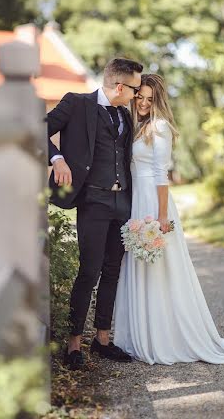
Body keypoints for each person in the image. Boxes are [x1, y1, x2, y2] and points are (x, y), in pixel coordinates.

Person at [114, 74, 224, 364]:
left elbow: (161, 174)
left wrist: (161, 218)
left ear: (158, 102)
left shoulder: (159, 127)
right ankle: (141, 334)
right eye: (140, 96)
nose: (143, 102)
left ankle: (165, 337)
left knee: (161, 270)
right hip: (136, 202)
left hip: (154, 204)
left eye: (150, 99)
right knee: (140, 267)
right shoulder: (136, 126)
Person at [47, 58, 143, 370]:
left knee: (113, 271)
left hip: (122, 204)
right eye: (134, 89)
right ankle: (74, 344)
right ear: (119, 86)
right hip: (93, 202)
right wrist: (58, 158)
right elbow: (38, 128)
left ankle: (102, 340)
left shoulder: (124, 116)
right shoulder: (77, 104)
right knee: (89, 271)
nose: (136, 95)